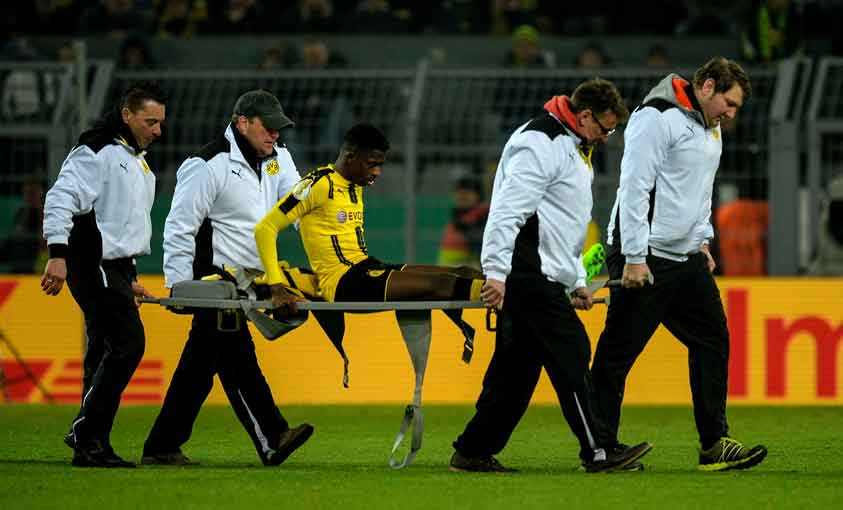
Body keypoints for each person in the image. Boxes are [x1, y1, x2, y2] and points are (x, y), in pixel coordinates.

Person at [449, 79, 652, 473]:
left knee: (515, 372)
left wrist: (575, 279)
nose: (606, 138)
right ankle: (598, 451)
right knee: (573, 351)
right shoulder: (540, 143)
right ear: (585, 115)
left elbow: (563, 226)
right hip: (525, 276)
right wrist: (495, 272)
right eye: (604, 128)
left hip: (539, 274)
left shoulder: (574, 145)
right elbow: (508, 212)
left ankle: (473, 450)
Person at [591, 57, 768, 472]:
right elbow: (635, 186)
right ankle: (600, 448)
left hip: (684, 255)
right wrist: (634, 257)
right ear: (707, 87)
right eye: (729, 102)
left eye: (736, 107)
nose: (731, 113)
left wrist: (702, 240)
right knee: (619, 352)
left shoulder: (710, 127)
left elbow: (699, 190)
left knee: (713, 339)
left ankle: (713, 444)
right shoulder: (656, 118)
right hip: (646, 253)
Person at [141, 90, 313, 466]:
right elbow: (179, 227)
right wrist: (178, 285)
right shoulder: (207, 164)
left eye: (278, 129)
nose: (275, 136)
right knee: (236, 355)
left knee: (200, 365)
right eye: (268, 128)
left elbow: (302, 211)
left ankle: (161, 445)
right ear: (243, 123)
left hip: (252, 278)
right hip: (213, 280)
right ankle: (272, 436)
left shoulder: (278, 159)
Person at [42, 81, 166, 467]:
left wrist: (128, 275)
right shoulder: (95, 152)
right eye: (150, 121)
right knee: (128, 344)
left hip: (110, 266)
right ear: (127, 115)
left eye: (160, 123)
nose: (157, 131)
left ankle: (92, 445)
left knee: (102, 353)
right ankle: (85, 432)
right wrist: (57, 254)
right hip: (89, 262)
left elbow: (120, 226)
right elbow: (60, 198)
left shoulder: (136, 161)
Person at [254, 123, 485, 310]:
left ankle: (502, 290)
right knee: (440, 285)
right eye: (372, 164)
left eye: (380, 165)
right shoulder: (318, 184)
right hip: (343, 283)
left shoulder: (356, 183)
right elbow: (265, 228)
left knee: (463, 272)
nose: (377, 172)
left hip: (365, 268)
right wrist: (276, 286)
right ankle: (509, 302)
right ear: (350, 157)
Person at [437, 176, 489, 269]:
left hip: (468, 271)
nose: (462, 196)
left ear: (478, 195)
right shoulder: (458, 215)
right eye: (459, 193)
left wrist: (467, 229)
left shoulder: (482, 216)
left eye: (467, 193)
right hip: (449, 270)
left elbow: (482, 243)